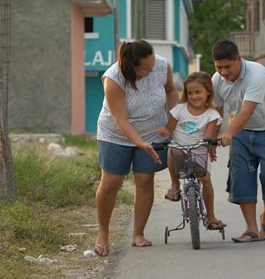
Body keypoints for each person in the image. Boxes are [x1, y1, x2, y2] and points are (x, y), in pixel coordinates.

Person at [94, 40, 179, 256]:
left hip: (152, 131)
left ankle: (138, 234)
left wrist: (175, 120)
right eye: (145, 68)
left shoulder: (160, 65)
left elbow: (170, 91)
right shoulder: (114, 78)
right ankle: (103, 232)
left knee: (144, 180)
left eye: (153, 64)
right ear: (130, 66)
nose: (152, 70)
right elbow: (120, 119)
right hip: (115, 135)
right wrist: (140, 143)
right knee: (111, 183)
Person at [211, 38, 265, 243]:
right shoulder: (217, 79)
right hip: (243, 132)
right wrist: (211, 139)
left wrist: (228, 132)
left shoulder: (257, 74)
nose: (223, 72)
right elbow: (216, 110)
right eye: (218, 67)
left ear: (238, 59)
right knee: (241, 177)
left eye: (227, 67)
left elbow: (247, 111)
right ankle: (251, 229)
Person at [156, 71, 226, 230]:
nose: (194, 96)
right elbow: (170, 129)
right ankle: (175, 186)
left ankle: (211, 216)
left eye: (198, 92)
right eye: (190, 93)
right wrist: (164, 131)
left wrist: (212, 143)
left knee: (206, 181)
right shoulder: (179, 110)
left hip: (199, 151)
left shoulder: (212, 115)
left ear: (208, 91)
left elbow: (208, 137)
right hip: (179, 150)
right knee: (172, 148)